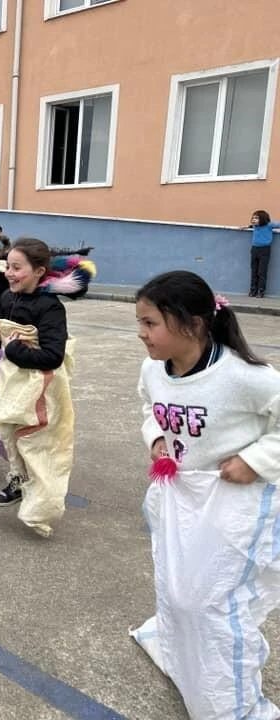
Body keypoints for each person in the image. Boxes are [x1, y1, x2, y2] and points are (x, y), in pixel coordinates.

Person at [132, 270, 280, 719]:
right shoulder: (153, 369)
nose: (141, 334)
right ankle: (184, 660)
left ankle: (234, 704)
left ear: (192, 325)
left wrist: (256, 459)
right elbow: (149, 406)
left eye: (150, 323)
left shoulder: (246, 377)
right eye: (139, 322)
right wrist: (156, 436)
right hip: (181, 497)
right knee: (178, 591)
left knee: (213, 602)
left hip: (236, 505)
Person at [0, 238, 73, 537]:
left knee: (36, 442)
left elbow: (52, 356)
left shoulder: (50, 308)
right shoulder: (9, 298)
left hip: (40, 387)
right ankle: (18, 479)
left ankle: (41, 504)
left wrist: (11, 350)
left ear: (39, 271)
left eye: (17, 268)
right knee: (9, 433)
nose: (9, 273)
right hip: (12, 382)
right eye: (8, 266)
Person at [242, 209, 278, 298]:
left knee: (262, 272)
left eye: (256, 218)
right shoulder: (255, 226)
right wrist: (247, 226)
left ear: (263, 219)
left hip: (264, 250)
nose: (254, 219)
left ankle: (261, 291)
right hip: (254, 249)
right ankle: (252, 290)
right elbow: (251, 225)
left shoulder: (269, 225)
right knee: (254, 271)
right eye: (253, 217)